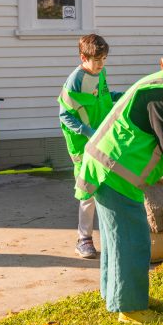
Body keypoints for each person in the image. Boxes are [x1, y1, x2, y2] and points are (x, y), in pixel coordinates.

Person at [74, 48, 163, 324]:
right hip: (112, 172)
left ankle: (118, 295)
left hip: (112, 171)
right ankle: (130, 308)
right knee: (133, 240)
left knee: (116, 238)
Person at [58, 34, 122, 259]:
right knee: (87, 189)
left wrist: (120, 97)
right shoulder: (75, 80)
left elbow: (103, 97)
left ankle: (108, 233)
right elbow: (65, 114)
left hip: (103, 137)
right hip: (83, 143)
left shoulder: (100, 72)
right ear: (83, 57)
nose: (101, 64)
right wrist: (88, 133)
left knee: (107, 184)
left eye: (104, 59)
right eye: (96, 60)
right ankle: (83, 239)